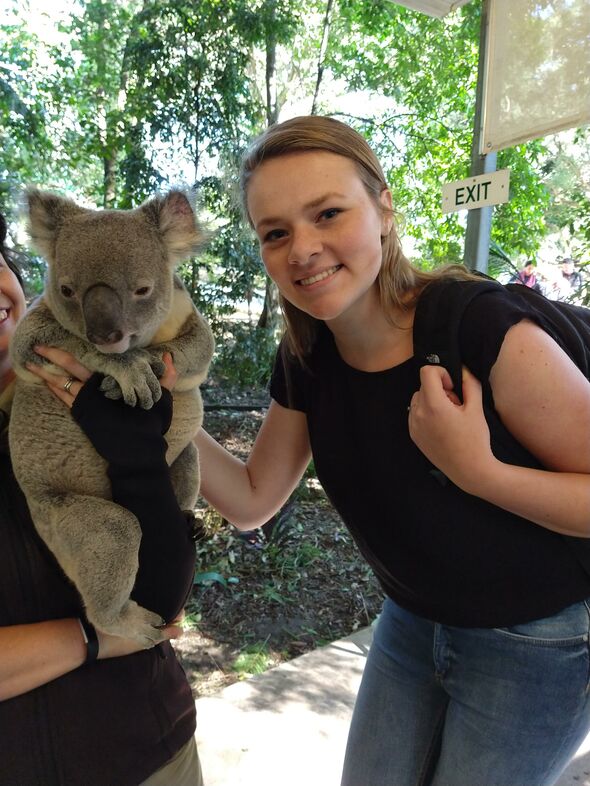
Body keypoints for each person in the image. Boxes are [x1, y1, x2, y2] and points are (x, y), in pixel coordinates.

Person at [193, 116, 590, 786]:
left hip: (537, 640)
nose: (303, 249)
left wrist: (479, 472)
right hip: (411, 622)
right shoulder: (308, 355)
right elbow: (252, 499)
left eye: (327, 213)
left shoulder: (481, 327)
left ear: (383, 208)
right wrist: (162, 414)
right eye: (276, 233)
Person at [0, 210, 203, 785]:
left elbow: (165, 597)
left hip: (156, 745)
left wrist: (140, 460)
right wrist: (93, 639)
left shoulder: (143, 358)